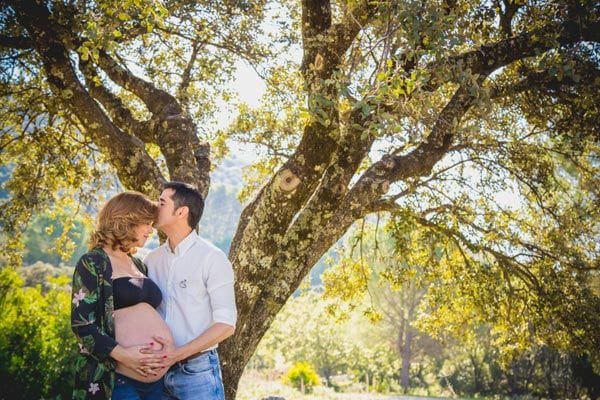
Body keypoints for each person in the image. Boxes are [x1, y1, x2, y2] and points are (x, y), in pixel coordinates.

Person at [71, 191, 172, 400]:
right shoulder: (93, 262)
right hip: (116, 380)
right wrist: (126, 357)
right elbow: (82, 324)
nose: (151, 229)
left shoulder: (138, 264)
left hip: (158, 384)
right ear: (127, 220)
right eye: (146, 222)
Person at [142, 181, 237, 400]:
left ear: (181, 212)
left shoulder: (212, 258)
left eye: (162, 202)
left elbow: (226, 324)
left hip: (198, 372)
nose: (155, 207)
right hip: (155, 373)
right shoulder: (152, 260)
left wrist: (176, 355)